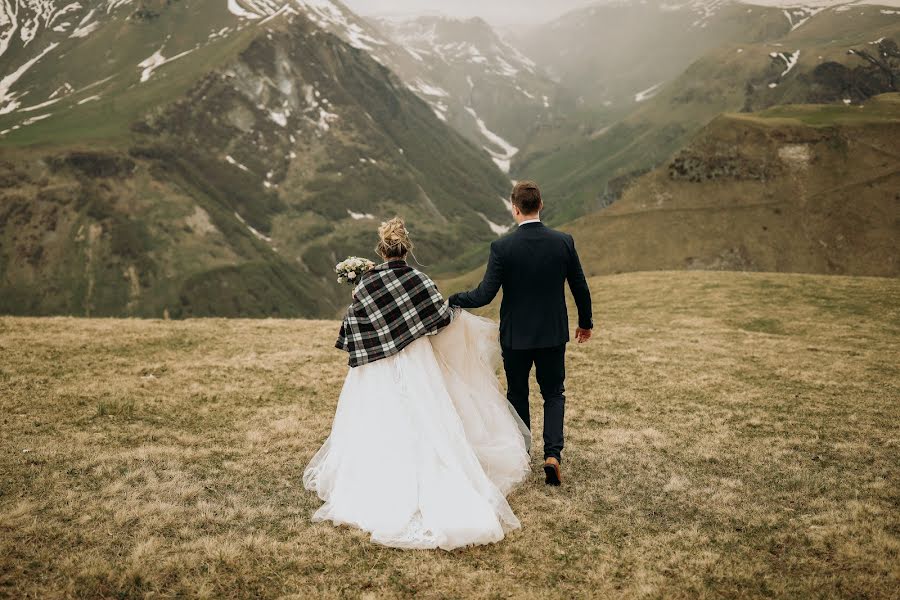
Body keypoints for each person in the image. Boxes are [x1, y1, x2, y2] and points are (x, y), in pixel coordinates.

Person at [304, 217, 530, 550]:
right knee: (428, 418)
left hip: (375, 367)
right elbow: (438, 317)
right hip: (417, 362)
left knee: (377, 421)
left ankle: (377, 480)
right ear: (406, 250)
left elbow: (354, 323)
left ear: (381, 251)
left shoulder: (367, 283)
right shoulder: (418, 279)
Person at [449, 180, 593, 486]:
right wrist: (585, 323)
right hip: (553, 334)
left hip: (515, 337)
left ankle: (522, 453)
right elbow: (579, 286)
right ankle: (553, 454)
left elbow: (485, 294)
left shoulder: (502, 248)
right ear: (540, 205)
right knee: (554, 393)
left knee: (517, 394)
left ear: (515, 210)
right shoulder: (563, 241)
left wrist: (452, 300)